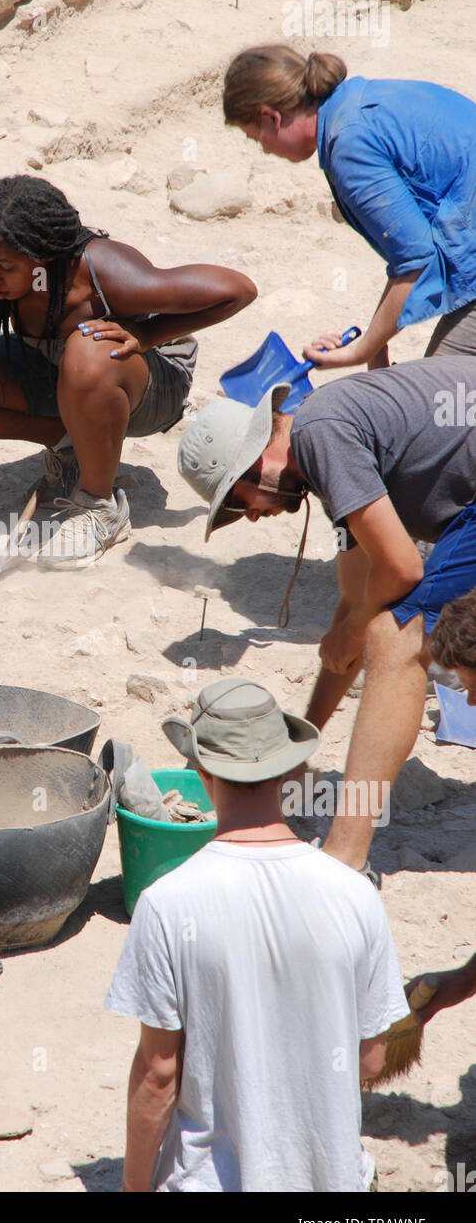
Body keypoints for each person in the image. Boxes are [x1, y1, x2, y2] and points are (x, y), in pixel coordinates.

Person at [0, 173, 257, 567]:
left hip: (146, 383)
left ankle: (100, 507)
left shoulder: (106, 272)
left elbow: (238, 290)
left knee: (88, 352)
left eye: (7, 267)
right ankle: (71, 447)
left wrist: (149, 335)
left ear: (45, 259)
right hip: (61, 370)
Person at [105, 679, 409, 1192]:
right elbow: (372, 1057)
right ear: (288, 770)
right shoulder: (355, 895)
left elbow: (158, 1076)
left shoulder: (167, 903)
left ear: (200, 771)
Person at [176, 355, 476, 874]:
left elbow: (401, 573)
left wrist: (358, 627)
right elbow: (355, 597)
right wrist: (300, 744)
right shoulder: (327, 442)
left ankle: (345, 856)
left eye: (238, 498)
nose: (248, 514)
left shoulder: (320, 436)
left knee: (397, 635)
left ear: (258, 458)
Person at [222, 44, 476, 371]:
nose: (265, 151)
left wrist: (357, 353)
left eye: (256, 139)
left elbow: (418, 262)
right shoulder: (359, 102)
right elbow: (410, 256)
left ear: (271, 118)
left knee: (439, 400)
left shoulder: (348, 144)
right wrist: (375, 349)